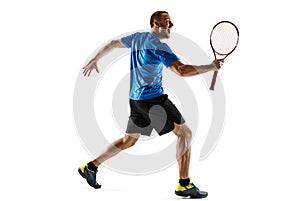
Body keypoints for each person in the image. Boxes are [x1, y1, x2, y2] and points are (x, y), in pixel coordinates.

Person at [78, 11, 223, 199]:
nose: (171, 25)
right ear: (156, 23)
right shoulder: (159, 47)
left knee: (128, 140)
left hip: (136, 100)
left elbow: (113, 44)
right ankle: (184, 184)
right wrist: (210, 67)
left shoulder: (138, 38)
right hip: (152, 100)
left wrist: (96, 58)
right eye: (167, 22)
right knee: (185, 133)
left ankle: (90, 167)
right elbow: (181, 70)